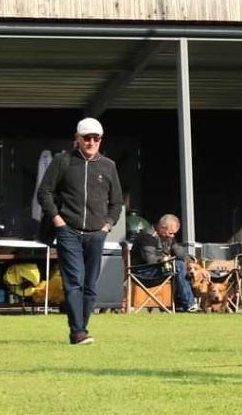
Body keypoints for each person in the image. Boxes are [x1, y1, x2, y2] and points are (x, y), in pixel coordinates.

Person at [37, 117, 123, 345]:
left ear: (101, 140)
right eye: (87, 138)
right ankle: (77, 332)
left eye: (96, 138)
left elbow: (117, 202)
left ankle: (81, 327)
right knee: (74, 281)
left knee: (90, 285)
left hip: (97, 232)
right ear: (77, 139)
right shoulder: (62, 161)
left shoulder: (108, 166)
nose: (91, 142)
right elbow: (44, 192)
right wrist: (58, 220)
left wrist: (107, 225)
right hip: (69, 231)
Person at [130, 214, 199, 312]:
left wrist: (194, 265)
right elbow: (150, 260)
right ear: (162, 228)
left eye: (174, 233)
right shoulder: (147, 236)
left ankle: (180, 305)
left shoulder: (168, 236)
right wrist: (166, 259)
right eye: (170, 233)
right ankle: (190, 304)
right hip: (142, 272)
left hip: (159, 269)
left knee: (183, 266)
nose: (172, 236)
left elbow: (180, 253)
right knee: (178, 265)